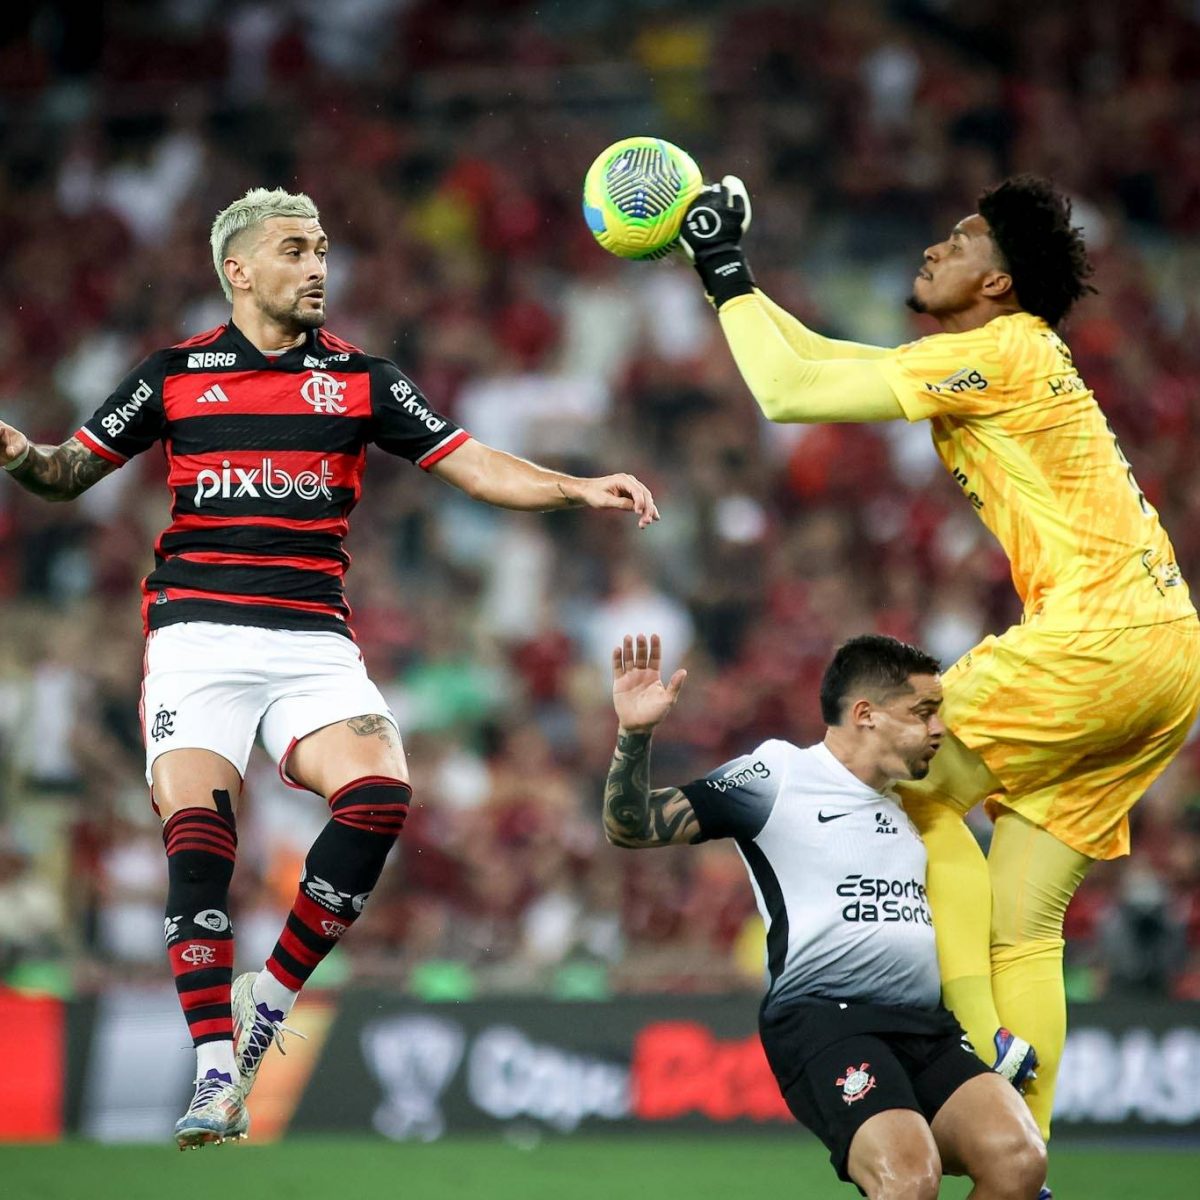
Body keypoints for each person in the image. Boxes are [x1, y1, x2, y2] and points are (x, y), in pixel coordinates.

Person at [0, 187, 660, 1150]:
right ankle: (216, 1065)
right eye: (295, 251)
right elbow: (68, 472)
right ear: (239, 270)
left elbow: (470, 461)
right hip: (197, 640)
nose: (318, 268)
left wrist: (574, 485)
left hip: (312, 642)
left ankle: (270, 995)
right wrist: (21, 453)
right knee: (198, 836)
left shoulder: (362, 379)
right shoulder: (175, 373)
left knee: (382, 795)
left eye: (323, 250)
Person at [674, 173, 1200, 1156]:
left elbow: (789, 394)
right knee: (1025, 926)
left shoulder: (1003, 351)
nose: (933, 249)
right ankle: (1026, 1159)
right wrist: (727, 279)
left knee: (909, 781)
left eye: (959, 239)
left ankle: (971, 1038)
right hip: (1169, 655)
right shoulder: (999, 355)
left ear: (998, 282)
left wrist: (719, 263)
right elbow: (827, 359)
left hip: (1096, 634)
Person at [602, 631, 1046, 1200]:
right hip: (826, 1019)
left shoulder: (910, 803)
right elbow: (631, 825)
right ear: (866, 714)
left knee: (1021, 1161)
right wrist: (635, 735)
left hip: (924, 1026)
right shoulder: (778, 776)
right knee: (910, 1180)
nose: (939, 728)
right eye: (924, 712)